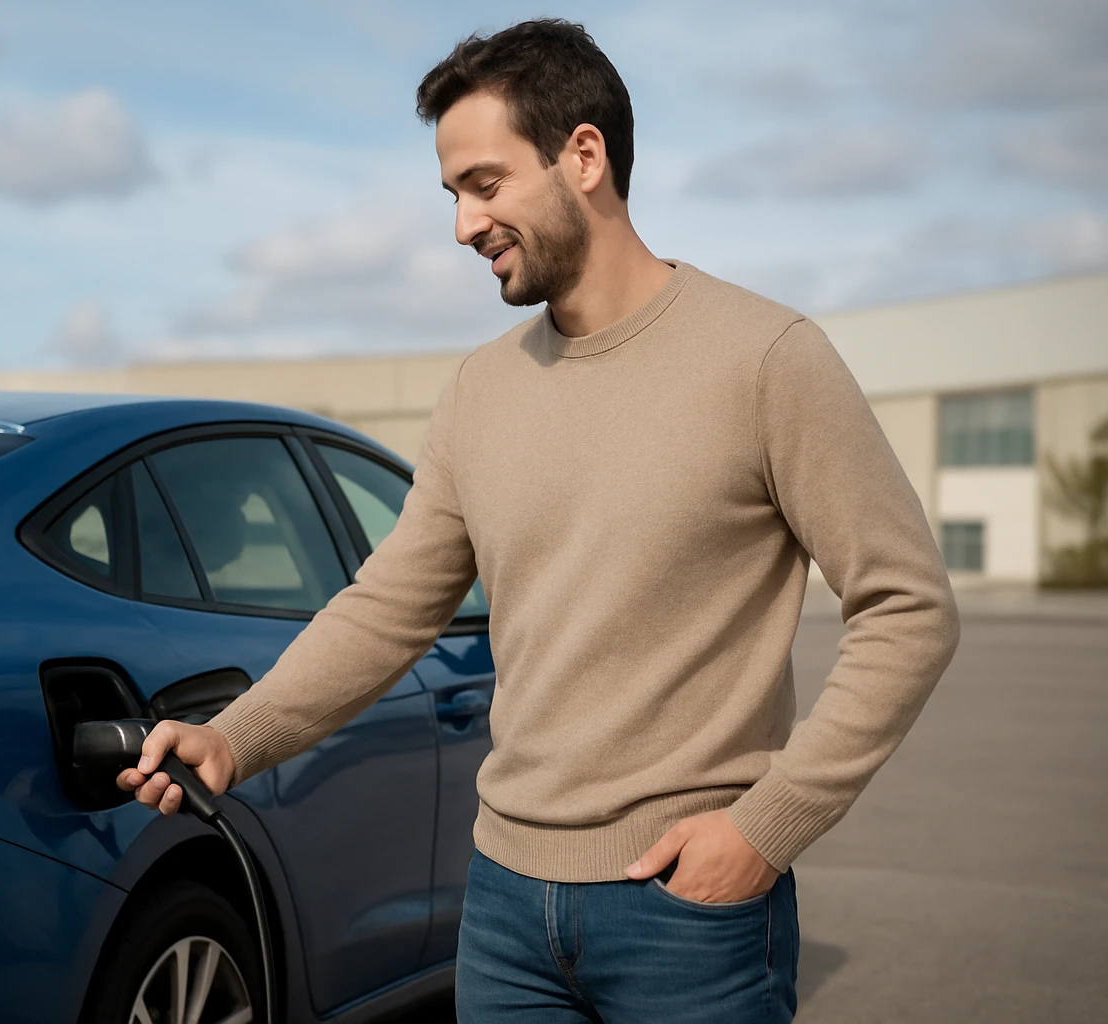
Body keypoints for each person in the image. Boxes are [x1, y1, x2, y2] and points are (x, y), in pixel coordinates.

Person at [118, 18, 960, 1024]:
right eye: (453, 195)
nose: (464, 226)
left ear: (585, 157)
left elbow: (908, 607)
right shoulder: (480, 391)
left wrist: (766, 827)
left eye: (484, 183)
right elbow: (387, 608)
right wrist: (235, 737)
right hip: (507, 911)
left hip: (686, 914)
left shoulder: (768, 358)